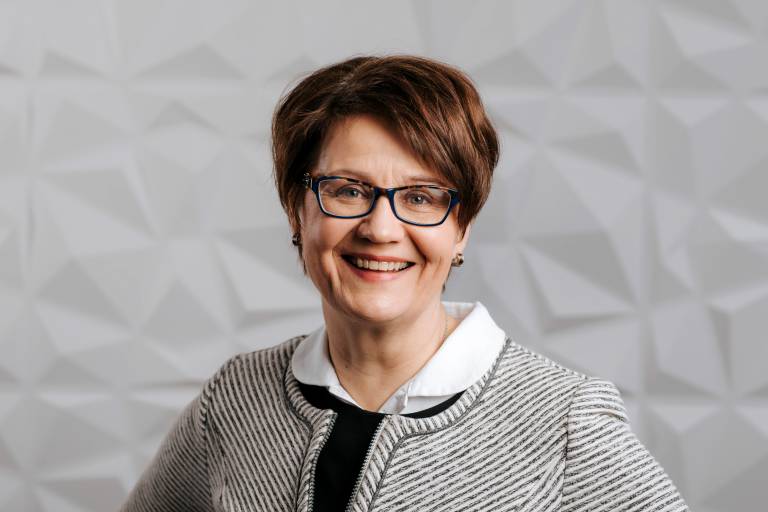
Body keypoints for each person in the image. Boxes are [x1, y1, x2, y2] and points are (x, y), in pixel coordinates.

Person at [120, 55, 688, 512]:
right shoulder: (237, 398)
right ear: (298, 210)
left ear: (462, 228)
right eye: (348, 190)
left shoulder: (562, 421)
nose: (381, 229)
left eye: (421, 198)